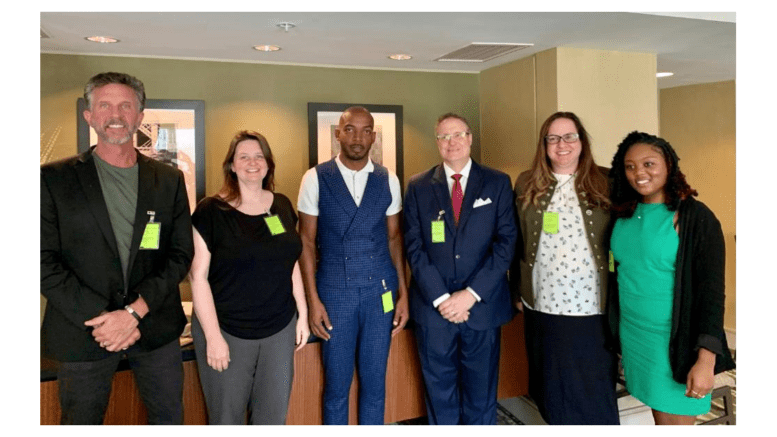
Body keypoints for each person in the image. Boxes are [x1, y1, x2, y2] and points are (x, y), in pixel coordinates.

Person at [40, 72, 193, 424]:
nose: (115, 114)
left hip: (155, 327)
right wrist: (107, 320)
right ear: (89, 115)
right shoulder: (51, 179)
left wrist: (134, 312)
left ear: (140, 116)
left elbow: (180, 254)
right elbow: (41, 262)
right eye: (104, 105)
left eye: (126, 106)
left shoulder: (168, 179)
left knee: (169, 419)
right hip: (85, 330)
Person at [609, 131, 735, 425]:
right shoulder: (625, 213)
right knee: (658, 415)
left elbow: (712, 295)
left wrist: (706, 360)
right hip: (635, 337)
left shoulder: (695, 217)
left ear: (669, 164)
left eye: (649, 163)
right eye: (630, 166)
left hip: (674, 344)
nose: (639, 172)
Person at [297, 106, 409, 425]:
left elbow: (394, 239)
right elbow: (305, 242)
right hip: (334, 296)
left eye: (365, 130)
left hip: (380, 294)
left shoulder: (388, 179)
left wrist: (403, 294)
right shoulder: (316, 178)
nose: (357, 137)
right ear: (338, 134)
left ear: (373, 136)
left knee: (375, 386)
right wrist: (312, 301)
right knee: (336, 387)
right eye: (350, 129)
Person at [403, 113, 517, 424]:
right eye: (443, 137)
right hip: (433, 310)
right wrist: (442, 299)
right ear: (436, 142)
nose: (451, 142)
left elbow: (506, 244)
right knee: (440, 395)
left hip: (482, 308)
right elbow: (414, 247)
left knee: (481, 395)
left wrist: (470, 295)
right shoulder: (418, 185)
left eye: (457, 135)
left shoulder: (497, 182)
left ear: (469, 138)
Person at [189, 130, 309, 424]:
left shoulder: (280, 204)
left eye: (259, 156)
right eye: (243, 156)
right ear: (231, 165)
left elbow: (289, 262)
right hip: (228, 331)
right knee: (226, 418)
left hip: (279, 329)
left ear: (268, 164)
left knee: (273, 417)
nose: (252, 162)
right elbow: (197, 277)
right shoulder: (210, 210)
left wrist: (302, 315)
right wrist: (213, 337)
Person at [510, 112, 619, 424]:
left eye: (569, 136)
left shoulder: (607, 181)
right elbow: (517, 240)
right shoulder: (526, 182)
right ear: (544, 145)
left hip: (591, 308)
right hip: (542, 305)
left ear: (582, 141)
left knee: (593, 390)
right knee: (551, 389)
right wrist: (515, 289)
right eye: (553, 138)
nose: (562, 144)